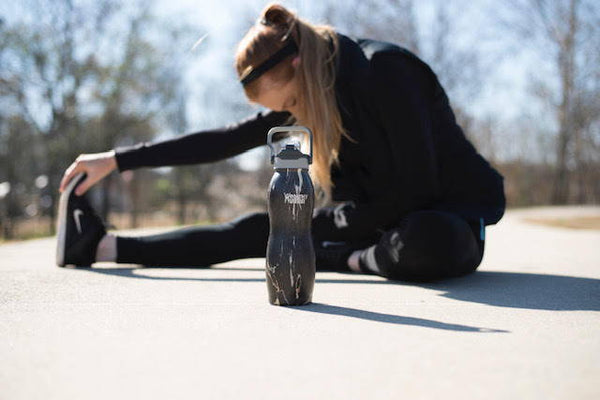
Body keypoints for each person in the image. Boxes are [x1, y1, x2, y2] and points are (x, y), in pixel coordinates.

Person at [56, 3, 505, 282]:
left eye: (290, 100)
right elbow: (224, 141)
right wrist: (117, 159)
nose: (292, 111)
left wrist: (341, 244)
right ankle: (99, 247)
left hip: (438, 218)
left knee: (429, 237)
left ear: (297, 65)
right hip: (372, 222)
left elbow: (418, 189)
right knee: (264, 227)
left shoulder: (386, 72)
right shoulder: (310, 90)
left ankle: (348, 261)